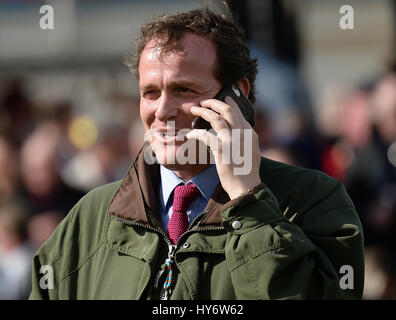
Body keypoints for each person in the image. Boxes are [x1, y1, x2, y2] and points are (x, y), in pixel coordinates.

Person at [29, 7, 364, 300]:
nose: (161, 111)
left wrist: (248, 200)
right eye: (150, 92)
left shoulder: (314, 200)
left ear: (237, 96)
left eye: (183, 90)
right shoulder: (91, 217)